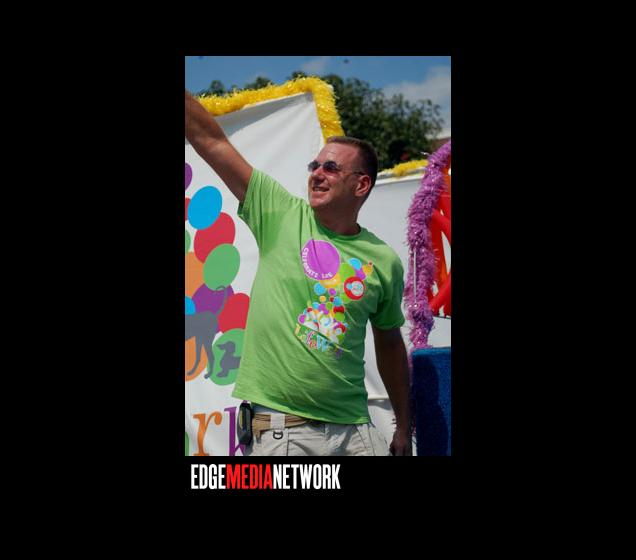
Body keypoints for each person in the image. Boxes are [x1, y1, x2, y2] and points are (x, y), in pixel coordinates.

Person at [185, 89, 412, 456]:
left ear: (361, 185)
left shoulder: (383, 260)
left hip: (357, 433)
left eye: (331, 168)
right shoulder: (279, 213)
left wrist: (403, 425)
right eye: (314, 166)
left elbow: (389, 344)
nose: (317, 174)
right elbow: (211, 142)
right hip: (283, 432)